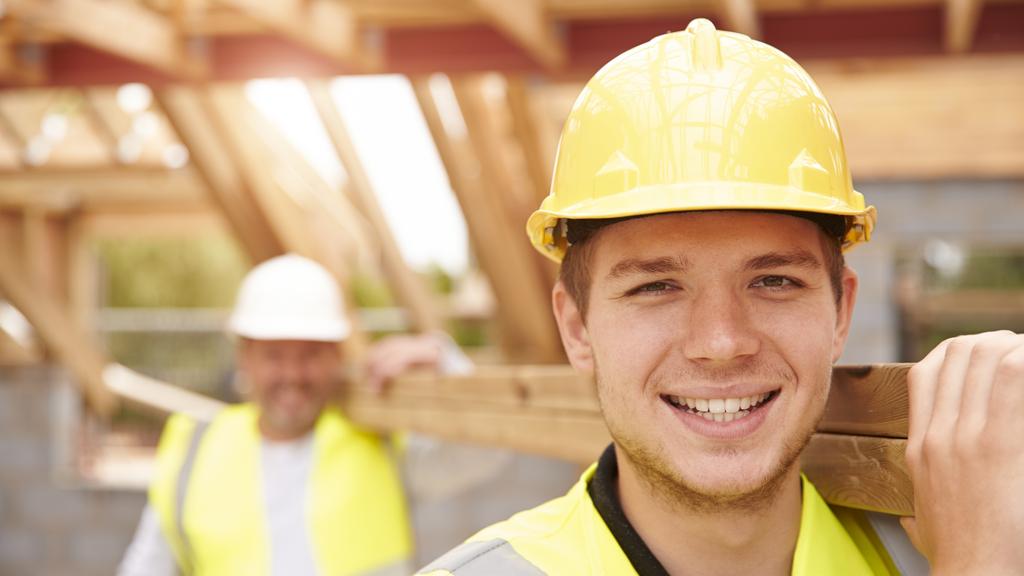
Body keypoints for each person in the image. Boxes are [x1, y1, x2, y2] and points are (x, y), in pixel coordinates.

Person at [417, 18, 1024, 576]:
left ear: (840, 312)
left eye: (773, 281)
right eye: (655, 287)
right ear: (577, 328)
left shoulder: (936, 550)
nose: (722, 342)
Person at [118, 253, 444, 576]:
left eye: (310, 355)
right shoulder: (196, 448)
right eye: (274, 356)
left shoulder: (380, 436)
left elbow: (482, 453)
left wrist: (443, 365)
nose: (293, 375)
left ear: (336, 356)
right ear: (244, 357)